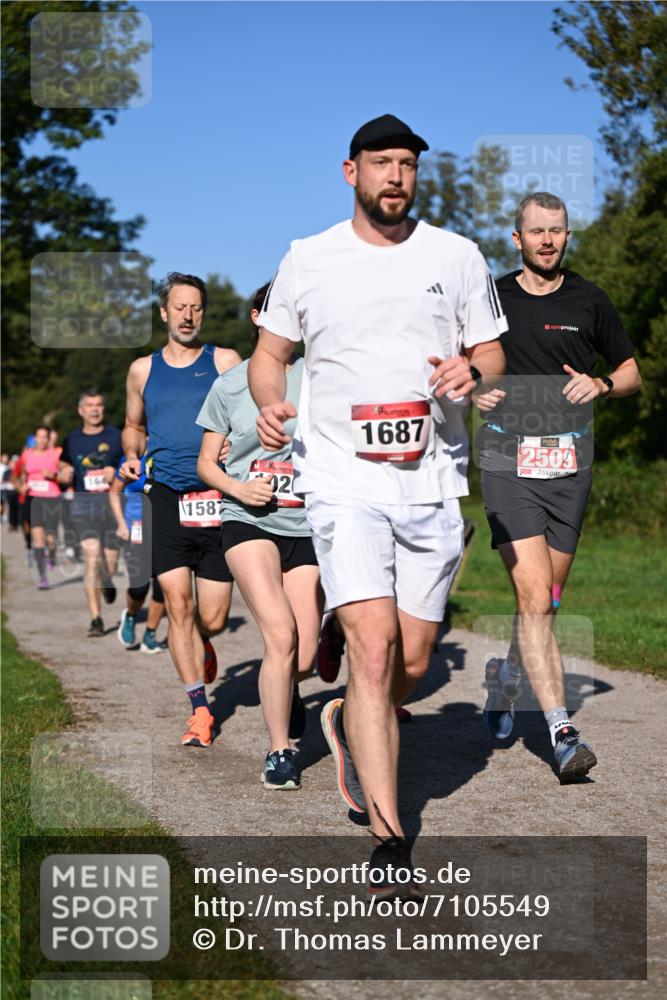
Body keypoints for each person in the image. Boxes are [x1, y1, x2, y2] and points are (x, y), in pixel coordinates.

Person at [248, 114, 506, 886]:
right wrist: (268, 402)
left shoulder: (455, 256)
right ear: (349, 171)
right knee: (368, 645)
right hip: (342, 481)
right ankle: (389, 841)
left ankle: (342, 720)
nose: (395, 176)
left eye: (407, 165)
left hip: (429, 480)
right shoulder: (308, 258)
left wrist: (474, 373)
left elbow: (491, 351)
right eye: (380, 163)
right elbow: (270, 356)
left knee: (413, 658)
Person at [475, 192, 641, 782]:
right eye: (536, 231)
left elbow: (631, 371)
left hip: (571, 465)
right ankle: (563, 734)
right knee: (536, 600)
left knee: (546, 599)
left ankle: (506, 678)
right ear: (516, 239)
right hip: (505, 457)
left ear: (567, 237)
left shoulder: (589, 299)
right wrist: (475, 386)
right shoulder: (491, 299)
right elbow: (455, 362)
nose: (547, 239)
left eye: (557, 231)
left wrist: (601, 384)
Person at [197, 283, 324, 790]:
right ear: (257, 318)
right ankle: (279, 752)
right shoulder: (229, 385)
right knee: (280, 634)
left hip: (306, 521)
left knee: (306, 655)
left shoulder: (318, 380)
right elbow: (208, 463)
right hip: (248, 519)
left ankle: (286, 691)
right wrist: (237, 487)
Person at [119, 272, 241, 748]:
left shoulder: (226, 361)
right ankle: (200, 710)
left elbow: (254, 412)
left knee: (211, 617)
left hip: (218, 496)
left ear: (202, 314)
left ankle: (203, 642)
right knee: (178, 605)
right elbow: (133, 425)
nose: (188, 315)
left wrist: (238, 441)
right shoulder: (142, 371)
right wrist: (131, 454)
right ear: (164, 312)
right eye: (179, 307)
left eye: (196, 308)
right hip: (164, 496)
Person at [60, 389, 123, 635]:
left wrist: (115, 471)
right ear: (81, 410)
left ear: (103, 409)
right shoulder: (72, 439)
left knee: (109, 564)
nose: (94, 409)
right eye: (89, 405)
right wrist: (64, 471)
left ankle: (107, 580)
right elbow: (63, 461)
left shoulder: (116, 436)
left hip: (112, 506)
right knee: (91, 559)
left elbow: (130, 461)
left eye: (99, 405)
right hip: (83, 506)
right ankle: (96, 619)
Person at [109, 452, 168, 654]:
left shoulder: (170, 452)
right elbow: (114, 491)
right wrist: (120, 523)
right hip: (136, 527)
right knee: (139, 586)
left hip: (166, 529)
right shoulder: (131, 458)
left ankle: (150, 634)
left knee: (164, 586)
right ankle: (132, 615)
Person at [13, 425, 69, 589]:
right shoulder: (26, 455)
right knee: (37, 536)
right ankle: (42, 577)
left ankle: (51, 555)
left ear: (49, 438)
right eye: (40, 436)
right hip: (33, 498)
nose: (43, 440)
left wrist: (55, 476)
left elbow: (68, 474)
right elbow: (15, 475)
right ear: (34, 438)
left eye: (46, 436)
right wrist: (20, 487)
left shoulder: (56, 453)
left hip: (52, 498)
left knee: (50, 538)